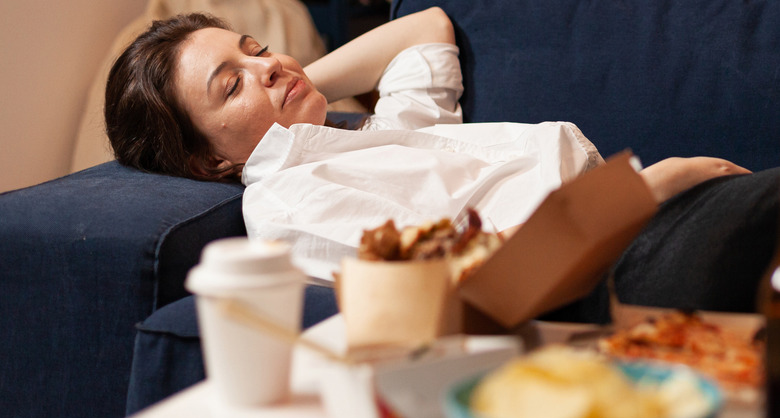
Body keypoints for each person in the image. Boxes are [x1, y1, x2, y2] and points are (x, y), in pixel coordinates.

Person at [105, 8, 777, 320]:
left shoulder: (377, 135)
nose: (268, 64)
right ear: (208, 160)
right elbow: (482, 290)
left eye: (256, 48)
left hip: (640, 225)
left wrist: (286, 84)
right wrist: (650, 187)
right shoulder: (286, 203)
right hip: (607, 268)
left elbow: (425, 29)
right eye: (231, 84)